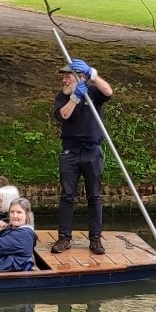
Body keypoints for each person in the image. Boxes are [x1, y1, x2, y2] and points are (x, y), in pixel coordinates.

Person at [52, 58, 113, 256]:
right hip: (70, 151)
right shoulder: (63, 97)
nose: (64, 80)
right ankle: (64, 238)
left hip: (92, 151)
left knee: (94, 196)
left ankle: (95, 239)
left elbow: (108, 92)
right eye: (64, 77)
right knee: (67, 195)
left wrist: (93, 75)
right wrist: (75, 98)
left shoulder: (93, 93)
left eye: (68, 76)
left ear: (80, 77)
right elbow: (63, 115)